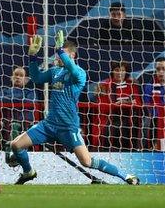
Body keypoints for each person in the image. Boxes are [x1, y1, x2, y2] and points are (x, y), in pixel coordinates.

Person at [9, 31, 139, 185]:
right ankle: (28, 172)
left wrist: (59, 50)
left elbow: (71, 67)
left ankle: (125, 175)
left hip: (68, 127)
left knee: (87, 161)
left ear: (72, 56)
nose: (57, 57)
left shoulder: (79, 74)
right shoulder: (54, 72)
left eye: (61, 54)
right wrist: (32, 57)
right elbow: (36, 78)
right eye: (57, 54)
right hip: (49, 125)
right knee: (16, 145)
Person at [92, 61, 142, 150]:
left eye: (122, 70)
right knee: (113, 129)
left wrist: (124, 103)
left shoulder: (132, 85)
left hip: (129, 120)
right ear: (112, 71)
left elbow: (138, 103)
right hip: (110, 119)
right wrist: (115, 105)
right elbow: (102, 107)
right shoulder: (104, 86)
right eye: (117, 70)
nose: (120, 73)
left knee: (128, 129)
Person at [0, 66, 37, 164]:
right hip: (5, 123)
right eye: (16, 75)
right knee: (11, 125)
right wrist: (20, 99)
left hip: (25, 123)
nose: (18, 77)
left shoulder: (30, 92)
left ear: (26, 80)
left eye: (21, 75)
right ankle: (14, 153)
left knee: (17, 126)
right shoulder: (4, 90)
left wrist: (11, 99)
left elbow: (31, 101)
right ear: (12, 77)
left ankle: (15, 152)